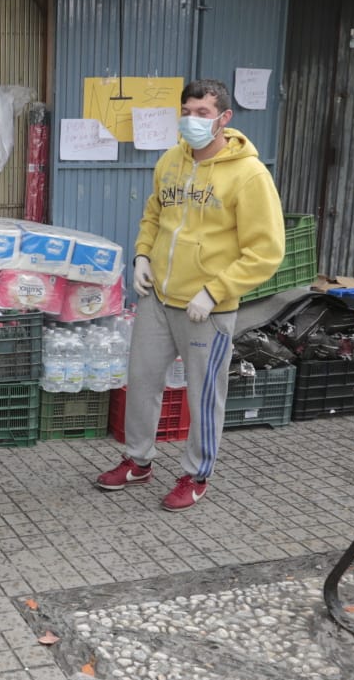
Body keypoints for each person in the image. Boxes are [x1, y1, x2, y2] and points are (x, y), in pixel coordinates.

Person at [95, 78, 284, 511]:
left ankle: (198, 474)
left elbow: (266, 252)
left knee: (203, 394)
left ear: (224, 118)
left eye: (203, 113)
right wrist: (143, 257)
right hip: (158, 299)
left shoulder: (249, 175)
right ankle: (138, 461)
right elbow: (153, 214)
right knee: (141, 382)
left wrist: (215, 292)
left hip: (207, 310)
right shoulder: (170, 162)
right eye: (187, 111)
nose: (193, 120)